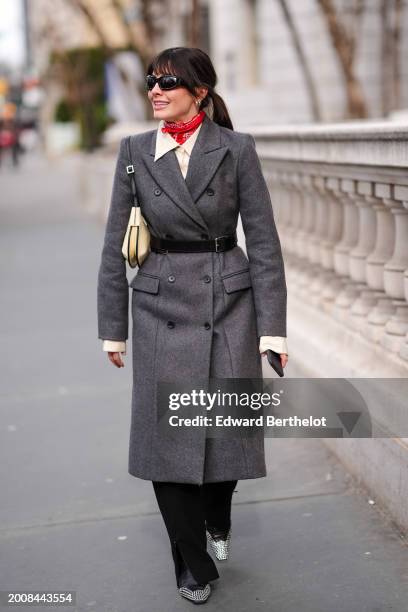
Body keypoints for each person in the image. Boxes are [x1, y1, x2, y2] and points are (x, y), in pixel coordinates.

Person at [97, 46, 288, 605]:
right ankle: (191, 562)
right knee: (167, 441)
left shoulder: (236, 150)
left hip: (228, 300)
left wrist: (272, 329)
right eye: (151, 82)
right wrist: (115, 328)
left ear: (199, 92)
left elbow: (266, 243)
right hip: (158, 303)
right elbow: (115, 247)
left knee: (223, 437)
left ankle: (217, 519)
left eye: (168, 82)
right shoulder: (134, 151)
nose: (155, 90)